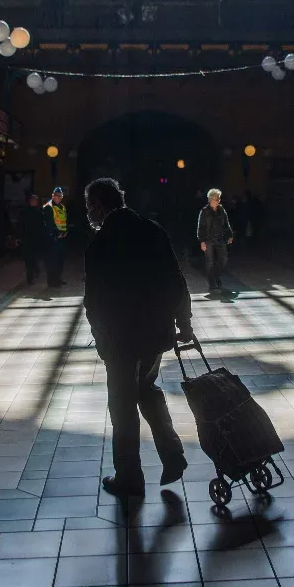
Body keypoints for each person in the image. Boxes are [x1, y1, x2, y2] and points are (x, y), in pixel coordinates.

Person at [83, 177, 191, 497]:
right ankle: (172, 454)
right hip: (155, 333)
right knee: (147, 390)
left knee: (122, 405)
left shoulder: (101, 244)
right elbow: (176, 281)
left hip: (120, 338)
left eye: (90, 207)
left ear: (101, 206)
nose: (89, 212)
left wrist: (100, 337)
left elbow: (95, 301)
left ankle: (129, 475)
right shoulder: (152, 230)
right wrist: (183, 323)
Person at [196, 188, 234, 292]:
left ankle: (216, 275)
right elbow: (201, 227)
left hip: (220, 238)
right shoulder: (204, 212)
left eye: (219, 199)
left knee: (224, 258)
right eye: (217, 199)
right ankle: (212, 282)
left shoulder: (221, 210)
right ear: (211, 199)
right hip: (208, 239)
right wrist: (202, 241)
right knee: (210, 262)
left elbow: (226, 224)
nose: (219, 200)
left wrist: (230, 235)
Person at [43, 187, 68, 287]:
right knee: (52, 261)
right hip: (52, 238)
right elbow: (49, 223)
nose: (58, 197)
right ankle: (52, 282)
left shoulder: (62, 207)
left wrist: (66, 232)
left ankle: (58, 278)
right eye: (56, 195)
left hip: (62, 238)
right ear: (52, 196)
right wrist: (57, 233)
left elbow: (64, 221)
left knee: (60, 260)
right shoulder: (48, 207)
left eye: (60, 196)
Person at [18, 193, 46, 285]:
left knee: (29, 259)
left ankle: (31, 276)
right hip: (33, 239)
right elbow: (42, 227)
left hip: (28, 239)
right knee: (32, 258)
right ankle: (33, 272)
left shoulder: (25, 212)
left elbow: (21, 225)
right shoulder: (39, 213)